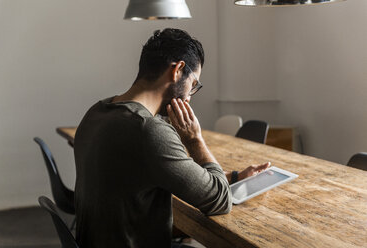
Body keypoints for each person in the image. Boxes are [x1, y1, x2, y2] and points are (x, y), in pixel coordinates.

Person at [74, 28, 270, 248]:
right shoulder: (148, 130)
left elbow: (162, 171)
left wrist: (233, 177)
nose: (189, 97)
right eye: (193, 84)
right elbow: (221, 201)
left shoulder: (98, 111)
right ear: (178, 70)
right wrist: (195, 140)